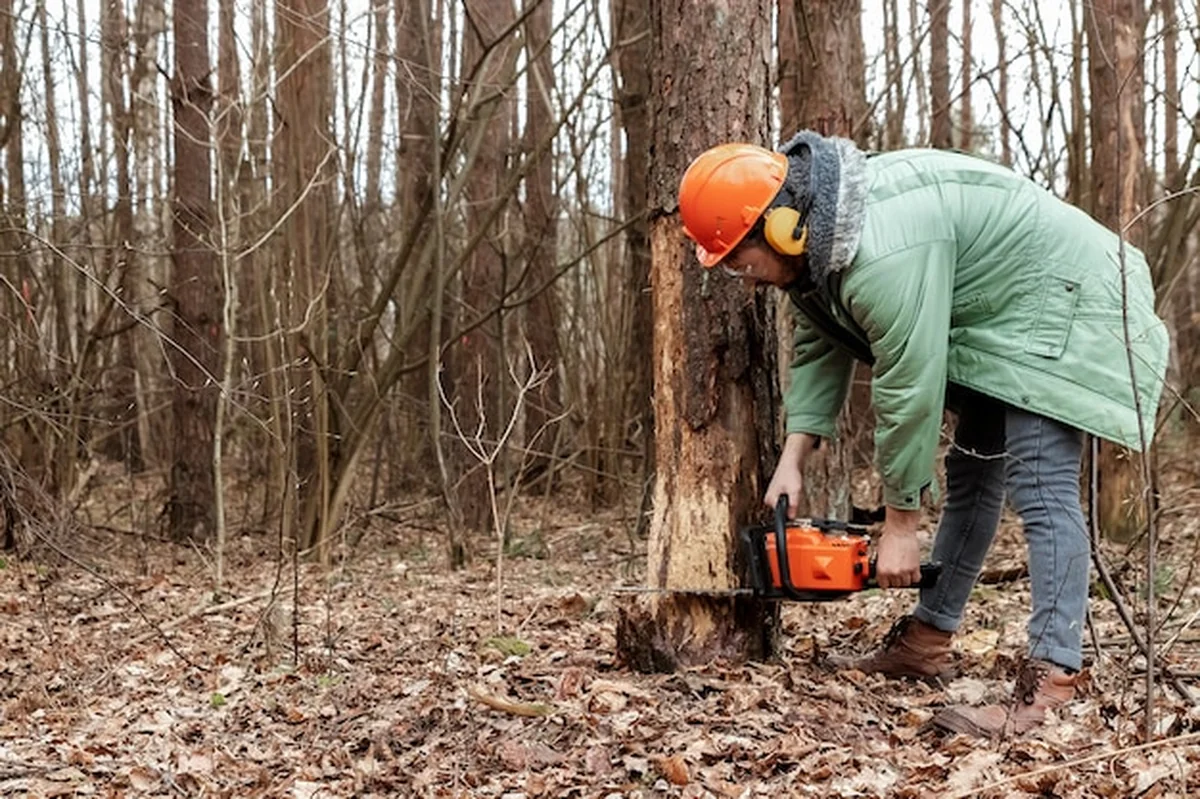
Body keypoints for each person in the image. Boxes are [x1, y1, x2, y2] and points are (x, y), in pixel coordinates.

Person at [677, 132, 1169, 738]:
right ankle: (928, 641)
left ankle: (1052, 682)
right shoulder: (817, 251)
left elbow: (908, 386)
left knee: (1039, 481)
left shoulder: (881, 252)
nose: (746, 280)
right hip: (1002, 314)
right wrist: (792, 458)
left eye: (743, 263)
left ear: (780, 230)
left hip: (1069, 297)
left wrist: (902, 524)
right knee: (972, 473)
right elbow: (817, 348)